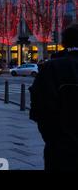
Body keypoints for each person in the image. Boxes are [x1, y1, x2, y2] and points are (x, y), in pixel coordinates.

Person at [30, 23, 78, 171]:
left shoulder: (51, 68)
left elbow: (39, 109)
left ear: (63, 43)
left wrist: (53, 139)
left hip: (61, 147)